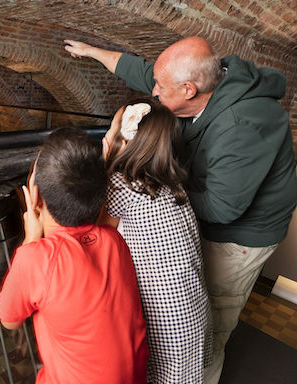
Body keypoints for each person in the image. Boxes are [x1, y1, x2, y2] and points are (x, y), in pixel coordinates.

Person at [65, 37, 297, 383]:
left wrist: (152, 182)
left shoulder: (240, 125)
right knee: (192, 299)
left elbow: (222, 207)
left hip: (239, 236)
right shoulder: (199, 83)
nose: (154, 92)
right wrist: (95, 52)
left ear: (189, 90)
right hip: (204, 211)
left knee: (211, 325)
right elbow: (147, 74)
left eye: (161, 87)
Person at [0, 127, 149, 383]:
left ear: (35, 196)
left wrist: (31, 239)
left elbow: (8, 320)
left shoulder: (37, 259)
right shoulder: (114, 240)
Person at [99, 98, 212, 383]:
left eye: (112, 129)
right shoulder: (171, 182)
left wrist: (105, 162)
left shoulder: (120, 183)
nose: (106, 136)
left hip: (163, 317)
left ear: (125, 139)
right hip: (192, 305)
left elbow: (99, 233)